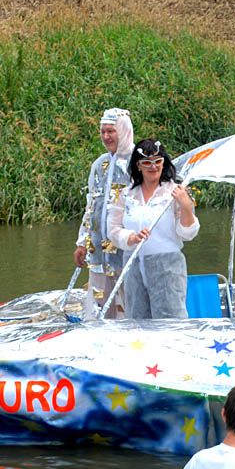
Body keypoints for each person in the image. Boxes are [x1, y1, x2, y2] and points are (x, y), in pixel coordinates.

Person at [108, 139, 198, 319]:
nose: (153, 167)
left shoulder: (175, 192)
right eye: (147, 163)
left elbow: (187, 233)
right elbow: (113, 229)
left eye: (158, 161)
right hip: (133, 265)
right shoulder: (127, 194)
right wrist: (131, 238)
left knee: (170, 320)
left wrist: (186, 206)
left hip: (167, 267)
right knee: (136, 320)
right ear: (138, 165)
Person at [73, 108, 134, 319]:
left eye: (111, 131)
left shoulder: (139, 162)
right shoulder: (99, 165)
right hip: (99, 248)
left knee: (129, 300)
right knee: (100, 300)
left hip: (127, 247)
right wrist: (82, 242)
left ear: (124, 131)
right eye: (103, 131)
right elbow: (91, 205)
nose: (106, 136)